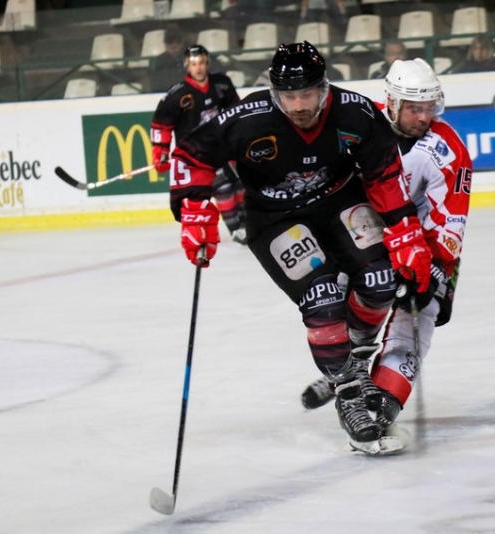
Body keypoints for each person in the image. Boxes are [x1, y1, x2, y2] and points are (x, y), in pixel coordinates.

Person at [169, 41, 433, 453]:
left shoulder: (355, 112)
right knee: (323, 297)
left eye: (306, 94)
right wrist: (195, 211)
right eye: (288, 95)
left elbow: (383, 172)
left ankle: (355, 358)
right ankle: (349, 393)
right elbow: (190, 155)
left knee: (381, 282)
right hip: (276, 219)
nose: (297, 104)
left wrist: (405, 231)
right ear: (275, 92)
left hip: (341, 202)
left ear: (323, 88)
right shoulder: (248, 117)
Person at [301, 59, 472, 431]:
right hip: (361, 234)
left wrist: (431, 269)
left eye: (429, 108)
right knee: (347, 302)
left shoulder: (446, 149)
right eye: (414, 108)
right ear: (391, 102)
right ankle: (349, 374)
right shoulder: (359, 124)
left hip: (422, 245)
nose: (423, 117)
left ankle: (383, 404)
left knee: (419, 319)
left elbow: (450, 219)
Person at [151, 45, 248, 243]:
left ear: (207, 63)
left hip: (221, 146)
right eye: (194, 64)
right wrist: (160, 151)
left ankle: (247, 223)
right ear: (187, 65)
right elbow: (161, 124)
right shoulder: (178, 94)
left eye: (202, 62)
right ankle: (236, 228)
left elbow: (236, 111)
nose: (199, 68)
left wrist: (240, 136)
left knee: (239, 183)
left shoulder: (222, 84)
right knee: (221, 187)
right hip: (196, 154)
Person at [150, 27, 188, 92]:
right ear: (165, 45)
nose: (173, 50)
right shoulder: (160, 61)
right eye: (169, 47)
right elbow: (156, 83)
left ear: (182, 43)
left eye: (176, 46)